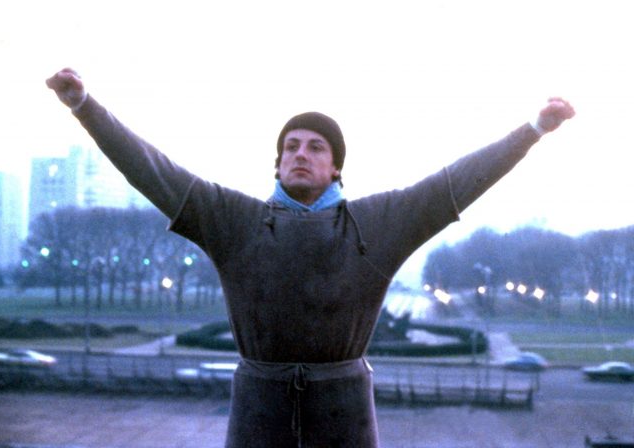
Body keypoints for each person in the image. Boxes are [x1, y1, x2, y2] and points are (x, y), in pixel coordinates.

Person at [46, 68, 575, 447]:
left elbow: (452, 187)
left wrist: (532, 130)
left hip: (344, 417)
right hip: (258, 414)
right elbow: (153, 169)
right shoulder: (233, 221)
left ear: (337, 169)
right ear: (276, 166)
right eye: (290, 146)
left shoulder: (375, 224)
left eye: (316, 147)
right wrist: (84, 105)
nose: (300, 153)